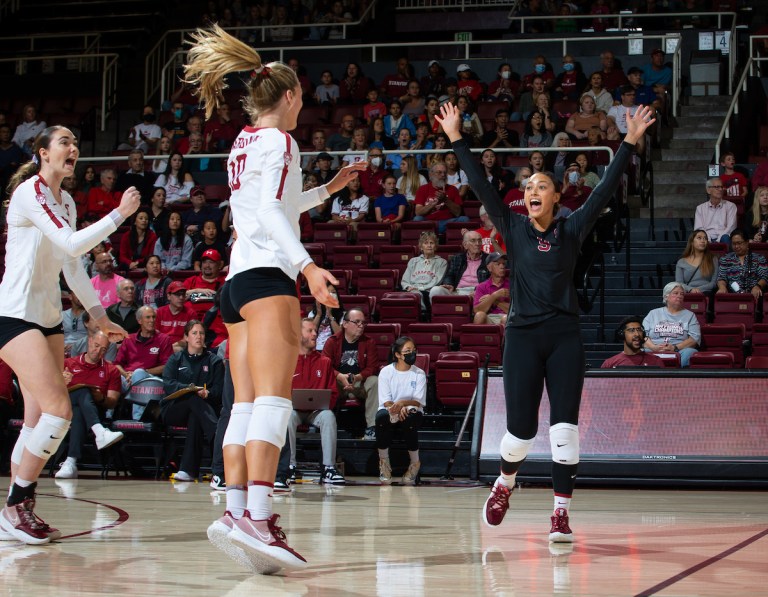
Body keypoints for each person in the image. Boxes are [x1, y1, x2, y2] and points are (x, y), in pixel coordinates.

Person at [183, 24, 365, 573]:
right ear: (288, 98)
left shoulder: (243, 142)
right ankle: (259, 517)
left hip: (234, 287)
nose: (302, 107)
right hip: (267, 279)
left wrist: (329, 190)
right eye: (302, 98)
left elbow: (269, 206)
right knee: (273, 402)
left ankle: (235, 509)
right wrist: (306, 265)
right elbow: (268, 215)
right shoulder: (282, 141)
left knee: (243, 403)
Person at [437, 101, 655, 542]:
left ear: (556, 195)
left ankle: (560, 513)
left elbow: (605, 189)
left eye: (541, 185)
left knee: (565, 431)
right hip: (521, 336)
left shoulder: (572, 228)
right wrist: (457, 138)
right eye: (528, 185)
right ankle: (504, 482)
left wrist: (629, 142)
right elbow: (480, 186)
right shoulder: (513, 227)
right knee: (520, 434)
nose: (532, 190)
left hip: (563, 337)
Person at [0, 125, 140, 544]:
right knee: (59, 410)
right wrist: (119, 215)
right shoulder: (31, 192)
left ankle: (14, 510)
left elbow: (71, 267)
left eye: (76, 143)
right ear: (43, 153)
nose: (73, 148)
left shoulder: (65, 201)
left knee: (36, 418)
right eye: (64, 142)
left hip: (49, 318)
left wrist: (99, 316)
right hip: (15, 315)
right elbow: (72, 244)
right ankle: (17, 505)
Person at [54, 331, 124, 479]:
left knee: (80, 411)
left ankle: (70, 462)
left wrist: (101, 398)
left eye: (103, 349)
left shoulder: (111, 370)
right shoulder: (68, 364)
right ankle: (99, 431)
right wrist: (61, 383)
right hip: (65, 409)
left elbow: (112, 403)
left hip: (94, 410)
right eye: (96, 345)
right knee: (83, 390)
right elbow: (51, 393)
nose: (98, 351)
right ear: (89, 341)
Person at [161, 320, 224, 482]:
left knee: (195, 415)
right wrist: (189, 389)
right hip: (175, 409)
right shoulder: (176, 359)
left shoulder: (214, 361)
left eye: (201, 333)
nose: (199, 337)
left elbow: (218, 391)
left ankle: (188, 471)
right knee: (191, 396)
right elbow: (168, 385)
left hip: (201, 410)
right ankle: (218, 437)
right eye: (194, 333)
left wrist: (207, 393)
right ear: (186, 337)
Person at [286, 319, 344, 485]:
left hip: (316, 412)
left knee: (328, 416)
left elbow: (333, 393)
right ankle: (289, 465)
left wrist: (325, 403)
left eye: (315, 331)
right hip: (294, 410)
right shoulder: (287, 361)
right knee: (287, 416)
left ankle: (328, 468)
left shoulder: (324, 361)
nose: (315, 334)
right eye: (310, 331)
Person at [322, 308, 380, 441]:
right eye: (357, 322)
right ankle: (321, 423)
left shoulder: (369, 342)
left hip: (359, 383)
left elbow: (373, 367)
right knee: (326, 381)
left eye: (363, 323)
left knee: (375, 381)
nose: (361, 325)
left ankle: (372, 428)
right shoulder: (332, 341)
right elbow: (325, 365)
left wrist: (358, 377)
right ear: (345, 323)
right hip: (338, 383)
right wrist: (339, 376)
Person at [376, 336, 426, 485]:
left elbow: (418, 401)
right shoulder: (386, 372)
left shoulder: (419, 373)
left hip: (412, 409)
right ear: (397, 354)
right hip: (390, 409)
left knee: (410, 419)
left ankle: (415, 463)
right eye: (407, 351)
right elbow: (386, 400)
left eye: (414, 350)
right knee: (381, 418)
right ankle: (384, 463)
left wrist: (403, 404)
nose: (412, 354)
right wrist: (396, 409)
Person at [114, 305, 174, 418]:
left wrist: (143, 372)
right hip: (128, 379)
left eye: (153, 317)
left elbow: (166, 366)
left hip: (152, 381)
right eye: (148, 317)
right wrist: (126, 374)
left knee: (138, 373)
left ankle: (138, 419)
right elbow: (117, 364)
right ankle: (107, 419)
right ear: (139, 320)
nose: (152, 320)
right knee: (112, 376)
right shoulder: (129, 340)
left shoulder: (163, 339)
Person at [643, 283, 701, 367]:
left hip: (679, 350)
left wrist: (675, 348)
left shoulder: (690, 315)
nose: (680, 296)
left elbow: (694, 339)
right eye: (675, 293)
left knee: (690, 352)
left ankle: (678, 376)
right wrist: (653, 347)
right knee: (640, 352)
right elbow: (643, 335)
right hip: (653, 348)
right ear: (666, 296)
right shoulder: (653, 313)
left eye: (682, 294)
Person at [429, 230, 490, 303]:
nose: (477, 244)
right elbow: (449, 275)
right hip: (458, 292)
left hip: (478, 292)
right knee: (435, 290)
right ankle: (440, 313)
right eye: (473, 241)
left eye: (479, 241)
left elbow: (491, 280)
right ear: (465, 245)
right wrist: (449, 284)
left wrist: (478, 290)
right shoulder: (457, 258)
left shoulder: (488, 259)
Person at [413, 162, 469, 234]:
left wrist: (445, 200)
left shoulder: (452, 189)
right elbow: (418, 212)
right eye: (439, 172)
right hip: (429, 223)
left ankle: (433, 233)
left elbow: (458, 213)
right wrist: (433, 204)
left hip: (447, 223)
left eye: (445, 173)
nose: (443, 175)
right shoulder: (422, 189)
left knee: (464, 219)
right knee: (417, 219)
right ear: (431, 174)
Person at [401, 231, 448, 311]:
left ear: (435, 246)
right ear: (421, 247)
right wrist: (408, 287)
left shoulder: (442, 262)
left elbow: (437, 280)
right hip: (413, 290)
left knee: (416, 294)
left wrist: (421, 288)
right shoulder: (413, 261)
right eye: (426, 243)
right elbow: (405, 279)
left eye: (432, 243)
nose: (429, 245)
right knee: (414, 294)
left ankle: (423, 314)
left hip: (429, 291)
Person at [716, 229, 768, 299]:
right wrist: (722, 287)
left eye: (739, 243)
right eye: (734, 244)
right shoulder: (725, 259)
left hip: (755, 296)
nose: (736, 246)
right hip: (732, 296)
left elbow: (764, 277)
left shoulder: (759, 258)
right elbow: (721, 278)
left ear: (747, 242)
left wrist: (757, 286)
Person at [693, 177, 737, 243]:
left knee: (726, 238)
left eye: (721, 187)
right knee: (699, 238)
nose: (720, 189)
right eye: (717, 187)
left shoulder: (731, 206)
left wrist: (718, 240)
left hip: (723, 237)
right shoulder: (700, 208)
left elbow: (731, 227)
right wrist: (708, 239)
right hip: (706, 238)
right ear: (708, 190)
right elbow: (699, 228)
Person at [156, 281, 198, 350]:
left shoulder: (191, 314)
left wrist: (171, 348)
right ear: (169, 296)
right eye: (177, 294)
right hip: (161, 347)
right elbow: (155, 336)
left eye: (183, 294)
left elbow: (188, 339)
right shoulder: (159, 312)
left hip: (181, 348)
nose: (181, 297)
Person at [675, 229, 719, 293]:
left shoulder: (713, 259)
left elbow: (714, 283)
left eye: (705, 238)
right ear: (692, 242)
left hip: (706, 294)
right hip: (688, 294)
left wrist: (697, 290)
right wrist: (690, 289)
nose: (703, 241)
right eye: (699, 238)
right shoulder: (681, 262)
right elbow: (679, 283)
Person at [472, 252, 510, 326]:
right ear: (489, 268)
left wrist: (494, 300)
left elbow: (515, 311)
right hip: (489, 318)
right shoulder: (481, 287)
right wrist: (494, 295)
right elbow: (477, 310)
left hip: (506, 317)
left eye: (503, 264)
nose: (502, 266)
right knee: (479, 315)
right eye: (498, 264)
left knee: (505, 319)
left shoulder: (512, 285)